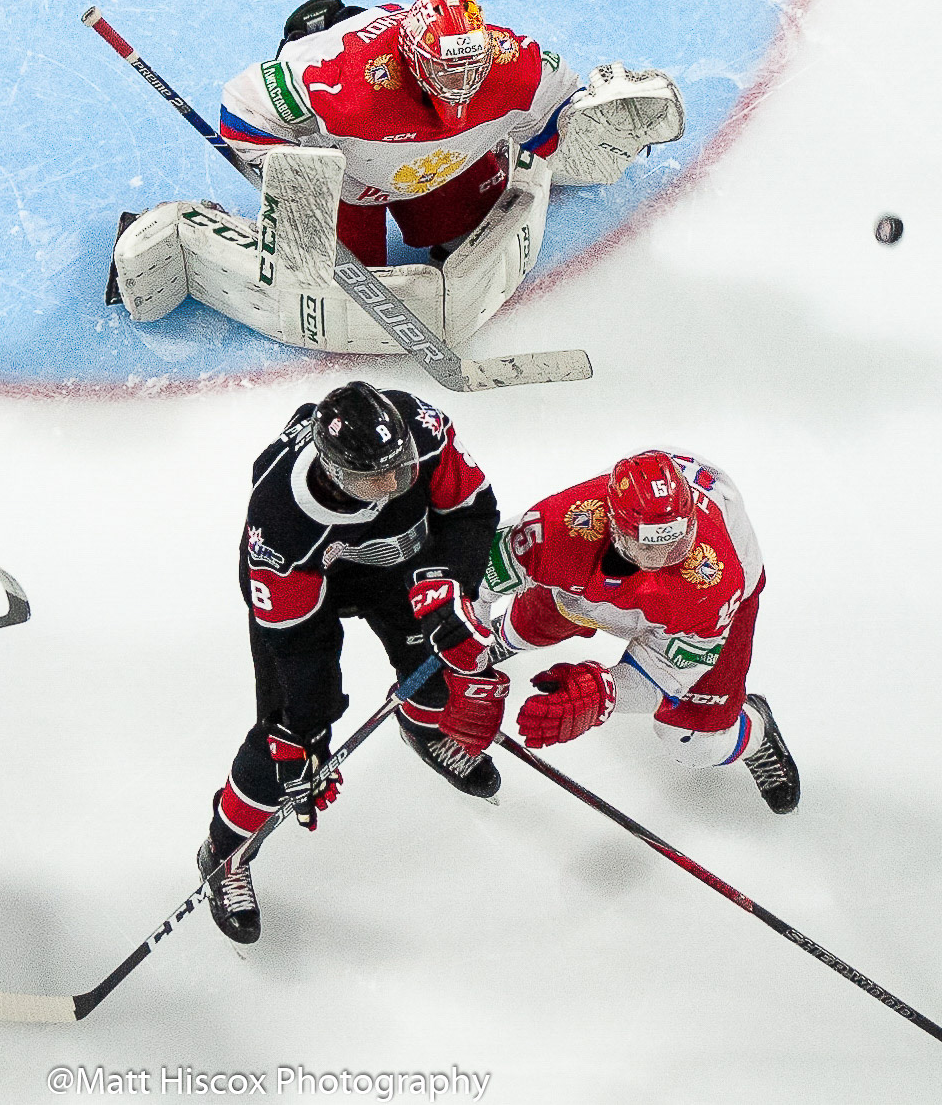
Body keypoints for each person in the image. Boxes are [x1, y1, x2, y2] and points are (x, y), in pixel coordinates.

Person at [107, 0, 684, 354]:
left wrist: (593, 124)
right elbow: (242, 108)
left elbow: (557, 118)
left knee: (468, 236)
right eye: (444, 70)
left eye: (471, 68)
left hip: (444, 164)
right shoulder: (339, 77)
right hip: (353, 182)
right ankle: (201, 223)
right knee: (330, 281)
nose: (461, 85)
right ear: (410, 57)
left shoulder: (517, 63)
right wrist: (295, 177)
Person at [197, 382, 508, 945]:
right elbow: (299, 644)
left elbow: (473, 512)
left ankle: (422, 729)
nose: (392, 486)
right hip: (306, 599)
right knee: (287, 739)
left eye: (399, 469)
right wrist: (309, 731)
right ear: (334, 472)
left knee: (441, 667)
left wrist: (448, 583)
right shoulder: (281, 523)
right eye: (372, 479)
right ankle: (225, 852)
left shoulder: (422, 428)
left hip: (402, 571)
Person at [474, 450, 799, 813]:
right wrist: (467, 643)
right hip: (603, 561)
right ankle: (506, 638)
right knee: (531, 623)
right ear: (614, 524)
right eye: (649, 545)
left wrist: (601, 693)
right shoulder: (563, 525)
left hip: (700, 608)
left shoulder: (713, 581)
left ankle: (756, 734)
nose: (663, 558)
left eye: (675, 543)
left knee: (694, 742)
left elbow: (665, 674)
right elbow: (476, 577)